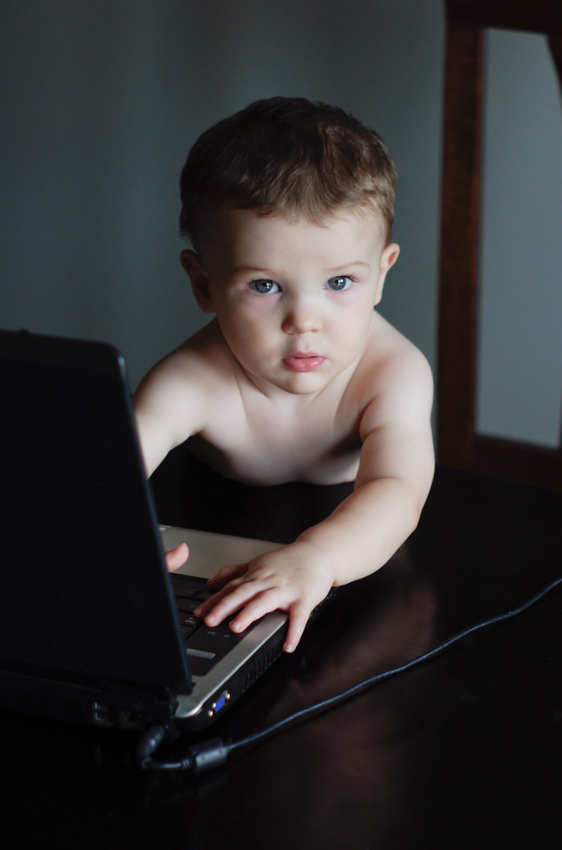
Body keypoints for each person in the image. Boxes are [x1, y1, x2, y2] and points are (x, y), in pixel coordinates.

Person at [134, 96, 434, 653]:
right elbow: (111, 472)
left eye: (340, 283)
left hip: (351, 541)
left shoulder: (393, 371)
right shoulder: (191, 379)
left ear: (380, 275)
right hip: (213, 509)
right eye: (265, 286)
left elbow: (397, 488)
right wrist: (114, 540)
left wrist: (318, 558)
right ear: (204, 284)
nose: (304, 322)